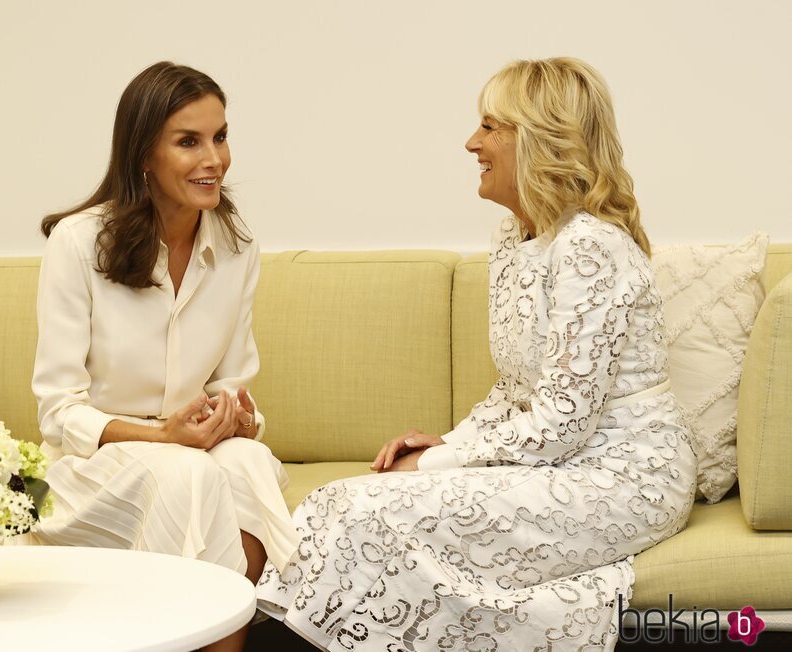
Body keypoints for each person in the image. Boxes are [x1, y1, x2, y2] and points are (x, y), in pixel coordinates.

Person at [255, 58, 697, 650]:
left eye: (491, 126)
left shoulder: (592, 248)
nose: (472, 142)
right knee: (331, 501)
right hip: (562, 460)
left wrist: (438, 466)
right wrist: (449, 445)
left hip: (622, 477)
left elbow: (563, 422)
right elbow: (516, 391)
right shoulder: (513, 239)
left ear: (540, 139)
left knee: (369, 516)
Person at [31, 61, 299, 652]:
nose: (215, 159)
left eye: (220, 136)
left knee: (247, 464)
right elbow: (58, 411)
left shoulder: (237, 246)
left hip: (190, 455)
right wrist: (163, 440)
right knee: (193, 473)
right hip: (92, 470)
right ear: (143, 156)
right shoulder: (79, 242)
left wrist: (238, 418)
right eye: (189, 142)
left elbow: (233, 378)